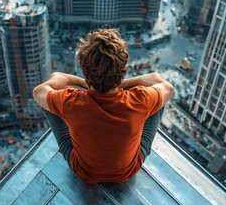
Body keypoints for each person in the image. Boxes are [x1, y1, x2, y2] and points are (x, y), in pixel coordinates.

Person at [33, 28, 173, 183]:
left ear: (85, 71)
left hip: (84, 171)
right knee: (158, 100)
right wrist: (120, 84)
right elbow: (161, 82)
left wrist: (85, 84)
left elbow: (44, 87)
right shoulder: (139, 99)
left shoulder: (72, 102)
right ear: (123, 70)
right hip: (128, 171)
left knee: (51, 100)